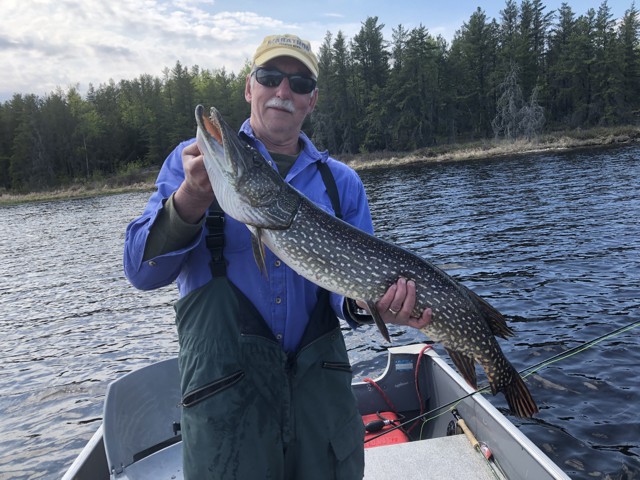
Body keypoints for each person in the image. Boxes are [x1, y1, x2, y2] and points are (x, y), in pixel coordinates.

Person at [123, 33, 431, 480]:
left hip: (320, 406)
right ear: (250, 88)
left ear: (312, 100)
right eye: (270, 77)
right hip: (226, 408)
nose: (283, 92)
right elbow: (141, 272)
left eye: (299, 84)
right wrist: (190, 196)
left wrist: (373, 305)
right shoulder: (192, 162)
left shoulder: (341, 184)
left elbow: (346, 299)